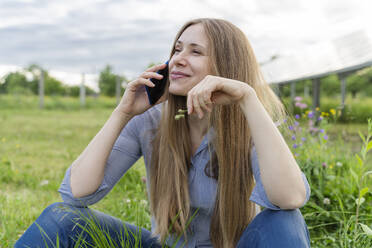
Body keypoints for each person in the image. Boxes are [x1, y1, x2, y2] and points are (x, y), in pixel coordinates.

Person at [15, 18, 311, 248]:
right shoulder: (150, 121)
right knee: (61, 217)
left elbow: (290, 198)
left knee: (285, 220)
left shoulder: (251, 126)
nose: (178, 59)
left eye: (196, 52)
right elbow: (76, 195)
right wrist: (123, 113)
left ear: (226, 66)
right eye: (177, 49)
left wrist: (247, 97)